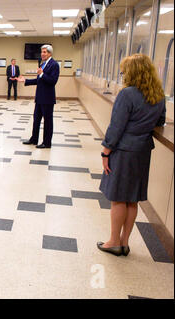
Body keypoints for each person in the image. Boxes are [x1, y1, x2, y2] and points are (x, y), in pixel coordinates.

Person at [97, 54, 166, 257]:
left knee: (118, 198)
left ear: (132, 72)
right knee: (132, 199)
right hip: (143, 150)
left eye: (124, 70)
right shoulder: (158, 94)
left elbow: (116, 127)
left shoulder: (127, 94)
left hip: (124, 150)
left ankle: (113, 242)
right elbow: (160, 121)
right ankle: (125, 243)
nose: (123, 73)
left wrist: (105, 151)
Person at [19, 44, 60, 149]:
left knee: (47, 121)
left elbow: (53, 81)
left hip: (48, 99)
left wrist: (42, 74)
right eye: (42, 52)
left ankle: (47, 143)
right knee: (36, 119)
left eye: (45, 52)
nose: (42, 54)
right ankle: (34, 139)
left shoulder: (54, 65)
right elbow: (39, 80)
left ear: (50, 53)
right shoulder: (43, 64)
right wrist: (26, 81)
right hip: (39, 98)